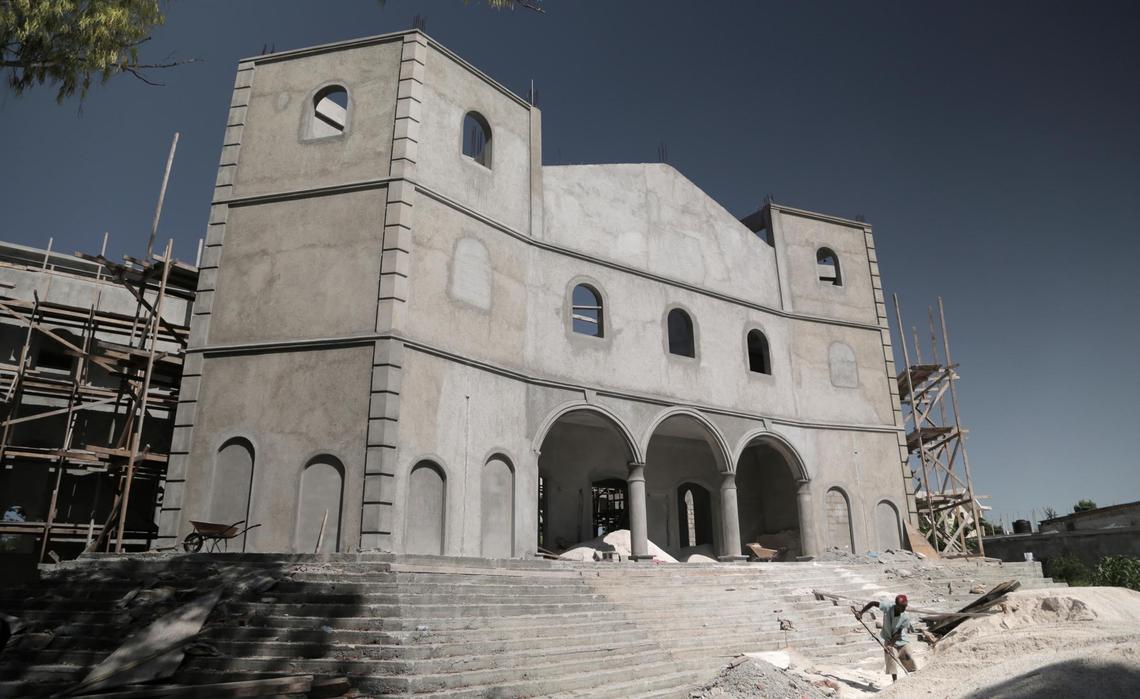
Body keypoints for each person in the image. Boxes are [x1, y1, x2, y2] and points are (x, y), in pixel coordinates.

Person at [857, 593, 917, 681]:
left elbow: (898, 633)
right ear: (897, 605)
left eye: (905, 606)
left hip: (901, 640)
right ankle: (895, 682)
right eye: (902, 606)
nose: (904, 608)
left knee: (908, 657)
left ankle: (914, 678)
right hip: (888, 638)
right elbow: (873, 603)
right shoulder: (888, 606)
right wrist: (861, 613)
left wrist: (890, 645)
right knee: (891, 660)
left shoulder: (905, 617)